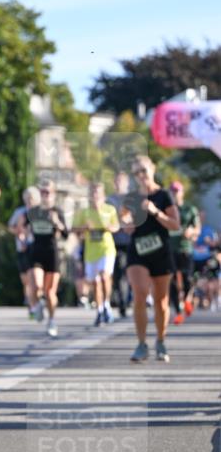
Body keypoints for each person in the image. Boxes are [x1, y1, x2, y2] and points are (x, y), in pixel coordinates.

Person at [120, 155, 179, 363]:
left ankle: (161, 341)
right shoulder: (132, 197)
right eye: (136, 172)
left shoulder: (164, 196)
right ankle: (141, 344)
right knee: (140, 292)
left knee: (162, 301)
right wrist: (128, 222)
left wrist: (155, 212)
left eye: (144, 170)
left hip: (160, 251)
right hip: (138, 251)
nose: (141, 176)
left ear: (152, 169)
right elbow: (125, 221)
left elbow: (175, 225)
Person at [21, 179, 68, 337]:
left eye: (47, 192)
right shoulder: (34, 211)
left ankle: (52, 320)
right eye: (42, 192)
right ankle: (38, 304)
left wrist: (56, 223)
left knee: (50, 292)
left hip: (52, 253)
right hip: (36, 251)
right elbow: (23, 226)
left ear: (53, 194)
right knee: (36, 285)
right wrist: (23, 237)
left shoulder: (57, 211)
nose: (45, 195)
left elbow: (66, 234)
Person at [73, 182, 119, 326]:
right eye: (93, 193)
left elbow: (117, 226)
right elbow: (74, 229)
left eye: (98, 193)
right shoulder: (84, 212)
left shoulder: (109, 209)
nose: (95, 196)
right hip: (91, 251)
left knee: (105, 276)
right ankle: (99, 310)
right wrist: (83, 228)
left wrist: (109, 227)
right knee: (95, 282)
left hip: (106, 249)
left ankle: (107, 305)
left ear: (103, 196)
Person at [167, 181, 200, 324]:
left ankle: (187, 300)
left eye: (177, 191)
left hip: (185, 248)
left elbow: (197, 228)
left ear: (182, 192)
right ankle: (178, 312)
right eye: (172, 191)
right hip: (170, 249)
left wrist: (191, 231)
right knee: (173, 281)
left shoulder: (189, 209)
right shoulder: (167, 209)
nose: (174, 194)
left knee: (187, 279)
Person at [8, 186, 39, 315]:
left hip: (37, 248)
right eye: (27, 198)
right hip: (22, 247)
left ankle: (37, 300)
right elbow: (11, 227)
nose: (29, 201)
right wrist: (19, 232)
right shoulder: (20, 212)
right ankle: (30, 302)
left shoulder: (39, 212)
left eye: (31, 198)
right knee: (25, 279)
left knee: (36, 277)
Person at [107, 171, 131, 317]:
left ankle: (129, 299)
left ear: (126, 183)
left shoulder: (131, 199)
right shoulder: (109, 200)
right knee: (119, 273)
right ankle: (122, 302)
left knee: (131, 273)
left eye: (121, 181)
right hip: (115, 241)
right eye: (116, 181)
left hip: (130, 240)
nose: (118, 184)